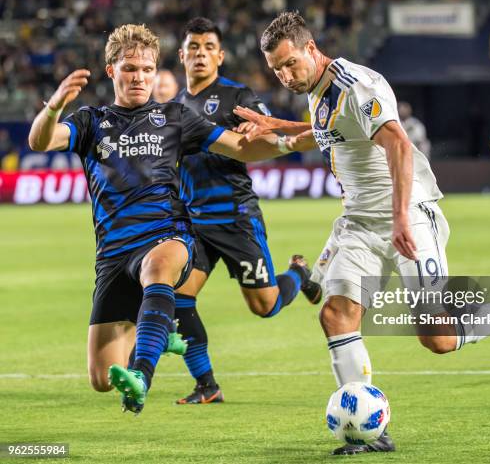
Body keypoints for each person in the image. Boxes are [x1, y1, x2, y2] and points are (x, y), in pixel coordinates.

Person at [235, 12, 490, 455]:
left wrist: (400, 219)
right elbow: (330, 132)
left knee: (438, 339)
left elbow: (398, 144)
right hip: (358, 223)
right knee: (335, 315)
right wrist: (284, 129)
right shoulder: (318, 91)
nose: (285, 75)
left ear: (310, 49)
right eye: (277, 69)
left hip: (405, 215)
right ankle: (367, 430)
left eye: (290, 63)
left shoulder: (357, 84)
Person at [27, 23, 307, 415]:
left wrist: (307, 136)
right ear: (112, 71)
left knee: (162, 272)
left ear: (156, 70)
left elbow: (242, 149)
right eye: (129, 69)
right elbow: (40, 141)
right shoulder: (90, 121)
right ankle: (163, 336)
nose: (139, 77)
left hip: (168, 237)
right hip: (113, 255)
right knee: (102, 379)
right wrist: (55, 104)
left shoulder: (174, 117)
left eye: (146, 69)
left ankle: (144, 374)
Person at [171, 17, 322, 405]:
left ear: (220, 56)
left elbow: (267, 138)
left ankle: (299, 274)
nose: (200, 53)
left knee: (265, 306)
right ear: (182, 55)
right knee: (178, 299)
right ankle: (207, 385)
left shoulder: (237, 97)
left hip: (235, 218)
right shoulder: (173, 108)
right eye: (193, 47)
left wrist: (267, 138)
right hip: (194, 223)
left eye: (208, 47)